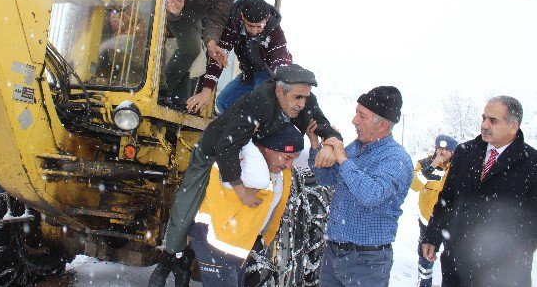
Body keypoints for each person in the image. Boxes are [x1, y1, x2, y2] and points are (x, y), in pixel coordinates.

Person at [148, 64, 341, 287]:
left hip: (247, 154)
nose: (302, 103)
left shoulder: (302, 100)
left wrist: (330, 142)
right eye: (297, 97)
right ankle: (170, 259)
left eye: (305, 98)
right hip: (212, 152)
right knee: (188, 206)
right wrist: (241, 191)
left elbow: (319, 122)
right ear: (279, 91)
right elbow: (226, 146)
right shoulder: (258, 102)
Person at [422, 96, 537, 286]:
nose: (484, 125)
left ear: (513, 126)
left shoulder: (531, 163)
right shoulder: (465, 152)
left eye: (493, 120)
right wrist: (433, 235)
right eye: (483, 118)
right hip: (457, 263)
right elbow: (448, 199)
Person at [308, 86, 413, 287]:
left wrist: (342, 158)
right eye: (356, 113)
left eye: (362, 116)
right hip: (334, 253)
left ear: (382, 125)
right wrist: (316, 146)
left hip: (367, 262)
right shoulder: (355, 148)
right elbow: (324, 178)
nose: (354, 121)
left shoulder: (396, 158)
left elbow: (372, 194)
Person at [189, 124, 303, 286]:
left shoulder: (277, 167)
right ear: (268, 149)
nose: (289, 165)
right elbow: (256, 179)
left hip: (238, 245)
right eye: (287, 157)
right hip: (216, 242)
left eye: (294, 158)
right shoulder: (239, 159)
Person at [186, 0, 292, 114]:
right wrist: (207, 90)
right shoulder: (233, 25)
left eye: (259, 26)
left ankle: (255, 127)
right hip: (248, 73)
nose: (255, 31)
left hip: (269, 75)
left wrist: (285, 88)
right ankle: (235, 128)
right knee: (224, 102)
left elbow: (281, 63)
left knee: (259, 104)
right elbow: (219, 56)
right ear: (242, 18)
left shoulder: (275, 33)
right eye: (250, 26)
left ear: (267, 20)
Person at [160, 0, 238, 102]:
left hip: (189, 17)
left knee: (192, 49)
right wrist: (175, 12)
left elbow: (217, 18)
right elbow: (169, 8)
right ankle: (156, 84)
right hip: (160, 8)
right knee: (154, 38)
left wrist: (211, 43)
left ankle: (164, 90)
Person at [410, 134, 458, 287]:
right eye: (439, 148)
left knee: (452, 257)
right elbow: (414, 185)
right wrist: (432, 166)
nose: (441, 152)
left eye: (446, 149)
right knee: (426, 255)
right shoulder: (424, 163)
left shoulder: (459, 167)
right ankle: (424, 283)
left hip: (451, 222)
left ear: (453, 152)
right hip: (428, 221)